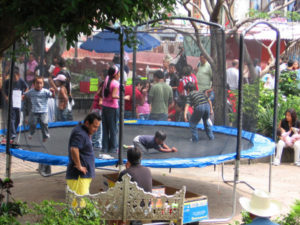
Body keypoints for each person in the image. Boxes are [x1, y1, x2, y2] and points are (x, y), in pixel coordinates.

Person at [66, 113, 101, 207]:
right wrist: (79, 166)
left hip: (82, 176)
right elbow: (74, 148)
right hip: (79, 176)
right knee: (79, 206)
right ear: (87, 123)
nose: (96, 130)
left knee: (81, 203)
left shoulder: (83, 131)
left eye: (97, 127)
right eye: (94, 126)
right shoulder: (80, 133)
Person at [24, 76, 55, 142]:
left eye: (41, 83)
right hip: (34, 111)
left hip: (43, 111)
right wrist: (21, 97)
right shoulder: (31, 91)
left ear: (43, 84)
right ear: (34, 84)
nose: (39, 85)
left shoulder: (45, 91)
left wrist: (53, 92)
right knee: (33, 124)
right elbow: (25, 95)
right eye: (37, 83)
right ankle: (31, 133)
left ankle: (45, 135)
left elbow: (52, 96)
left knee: (44, 123)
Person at [3, 67, 28, 139]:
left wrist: (23, 95)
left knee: (18, 118)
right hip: (11, 101)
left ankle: (13, 130)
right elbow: (3, 89)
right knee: (12, 117)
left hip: (18, 101)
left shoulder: (21, 81)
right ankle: (13, 133)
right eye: (12, 77)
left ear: (18, 75)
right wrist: (6, 97)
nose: (13, 78)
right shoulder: (8, 82)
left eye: (15, 76)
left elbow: (26, 88)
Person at [102, 65, 120, 153]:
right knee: (113, 128)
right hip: (112, 108)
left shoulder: (106, 80)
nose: (120, 75)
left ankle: (105, 147)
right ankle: (113, 148)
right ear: (115, 74)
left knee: (105, 128)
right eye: (119, 73)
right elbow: (113, 96)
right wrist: (123, 97)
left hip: (104, 107)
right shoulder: (116, 83)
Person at [90, 81, 104, 149]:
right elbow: (100, 103)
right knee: (99, 128)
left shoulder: (98, 92)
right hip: (98, 111)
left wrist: (91, 110)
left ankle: (93, 141)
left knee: (94, 126)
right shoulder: (101, 93)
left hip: (94, 110)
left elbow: (94, 103)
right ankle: (98, 143)